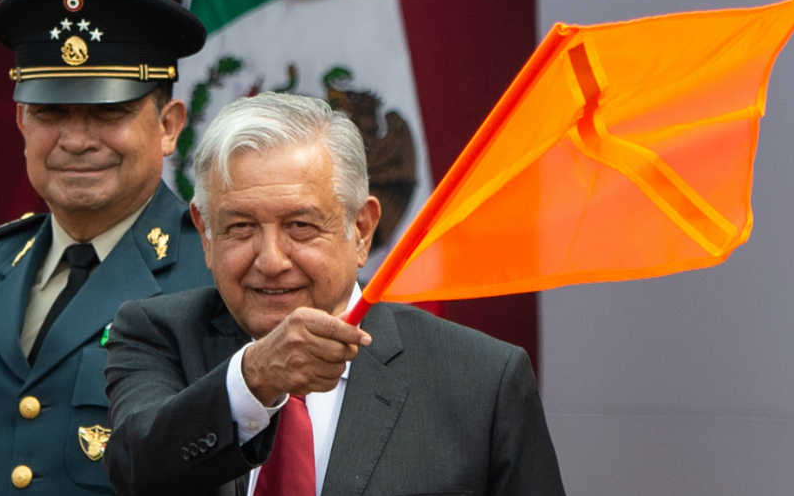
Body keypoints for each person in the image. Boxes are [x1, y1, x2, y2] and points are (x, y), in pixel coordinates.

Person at [102, 92, 565, 496]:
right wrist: (254, 380)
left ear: (361, 230)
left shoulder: (482, 378)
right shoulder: (156, 335)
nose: (271, 259)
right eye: (240, 228)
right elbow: (137, 472)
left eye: (300, 227)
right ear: (204, 233)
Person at [0, 0, 214, 496]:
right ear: (21, 121)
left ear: (169, 126)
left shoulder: (218, 272)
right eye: (50, 113)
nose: (75, 140)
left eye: (108, 113)